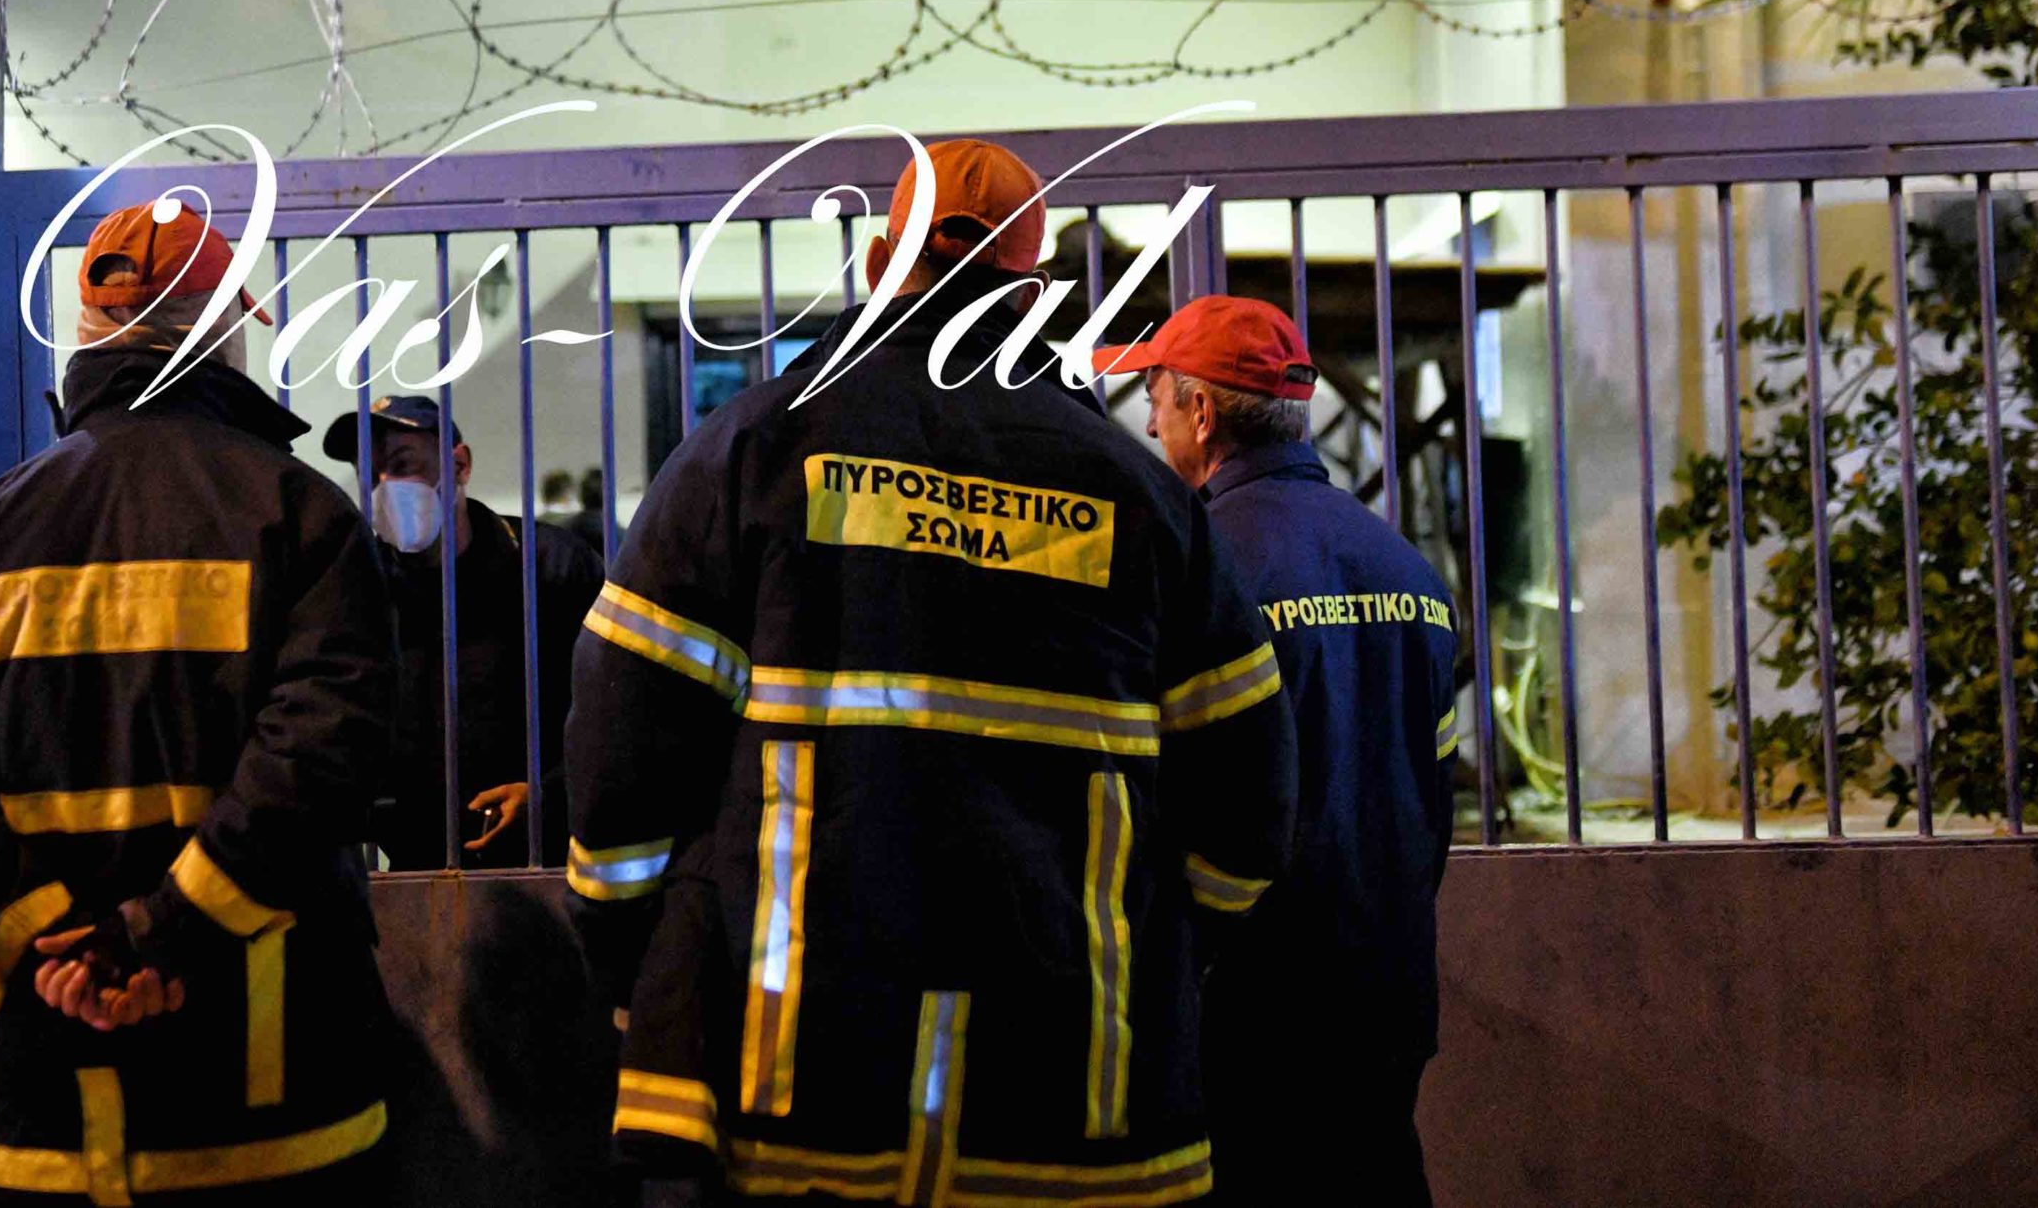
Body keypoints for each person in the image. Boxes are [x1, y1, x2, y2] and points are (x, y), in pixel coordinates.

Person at [563, 139, 1296, 1205]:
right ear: (1032, 293)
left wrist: (634, 947)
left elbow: (624, 732)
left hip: (803, 1076)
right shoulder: (1141, 497)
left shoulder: (754, 450)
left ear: (877, 263)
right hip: (1072, 1089)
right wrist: (1158, 951)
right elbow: (1249, 801)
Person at [0, 200, 401, 1205]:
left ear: (88, 338)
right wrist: (160, 933)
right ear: (223, 336)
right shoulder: (302, 518)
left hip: (44, 1126)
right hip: (276, 1118)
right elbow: (323, 756)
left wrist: (38, 943)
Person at [1095, 294, 1459, 1208]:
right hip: (1386, 992)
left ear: (1202, 411)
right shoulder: (1406, 567)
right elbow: (1434, 797)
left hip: (1251, 1007)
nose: (1150, 423)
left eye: (1157, 397)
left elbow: (1186, 795)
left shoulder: (1201, 567)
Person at [328, 394, 603, 869]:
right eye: (369, 474)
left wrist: (550, 792)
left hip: (548, 854)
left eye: (402, 464)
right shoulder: (358, 584)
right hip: (416, 859)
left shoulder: (547, 565)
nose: (384, 486)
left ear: (459, 465)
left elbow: (608, 704)